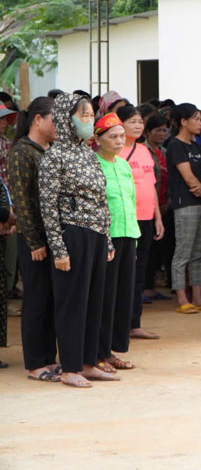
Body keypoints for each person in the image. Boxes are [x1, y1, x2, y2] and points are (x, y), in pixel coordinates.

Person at [38, 92, 116, 388]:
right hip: (72, 235)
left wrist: (107, 239)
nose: (89, 120)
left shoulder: (88, 154)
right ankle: (70, 367)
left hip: (96, 234)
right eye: (83, 115)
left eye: (91, 115)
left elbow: (101, 200)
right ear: (65, 119)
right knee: (72, 302)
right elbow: (48, 206)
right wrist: (58, 247)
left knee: (94, 300)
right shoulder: (53, 157)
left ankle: (87, 362)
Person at [9, 97, 59, 381]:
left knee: (51, 299)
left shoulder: (51, 150)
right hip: (35, 240)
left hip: (53, 238)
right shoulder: (22, 152)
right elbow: (23, 201)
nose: (58, 126)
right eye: (54, 119)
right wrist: (34, 242)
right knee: (37, 300)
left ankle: (49, 358)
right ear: (37, 119)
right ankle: (35, 363)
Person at [94, 113, 140, 372]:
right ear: (98, 139)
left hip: (128, 234)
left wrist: (134, 240)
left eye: (122, 136)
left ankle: (114, 349)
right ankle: (100, 351)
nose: (119, 141)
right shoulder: (95, 165)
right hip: (106, 238)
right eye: (112, 137)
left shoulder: (123, 165)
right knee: (106, 296)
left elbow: (130, 203)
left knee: (124, 295)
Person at [116, 105, 163, 340]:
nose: (137, 126)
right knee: (124, 273)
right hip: (125, 221)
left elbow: (151, 184)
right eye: (132, 121)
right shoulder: (114, 151)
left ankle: (135, 323)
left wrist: (158, 217)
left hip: (146, 217)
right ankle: (120, 324)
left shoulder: (144, 150)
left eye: (139, 122)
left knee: (139, 273)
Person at [167, 104, 201, 314]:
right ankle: (182, 298)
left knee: (199, 253)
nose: (200, 123)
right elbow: (189, 179)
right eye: (195, 119)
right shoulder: (175, 146)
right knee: (183, 253)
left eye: (200, 119)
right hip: (186, 204)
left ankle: (197, 297)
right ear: (183, 121)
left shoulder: (198, 145)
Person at [143, 114, 172, 301]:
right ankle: (144, 288)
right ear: (148, 132)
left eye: (165, 130)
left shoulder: (165, 152)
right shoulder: (143, 151)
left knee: (159, 249)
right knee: (146, 249)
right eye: (158, 130)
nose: (162, 134)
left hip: (164, 206)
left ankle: (151, 287)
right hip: (147, 207)